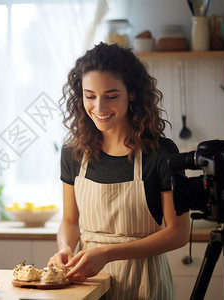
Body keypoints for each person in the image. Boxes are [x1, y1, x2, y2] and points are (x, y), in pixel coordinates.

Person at [48, 42, 190, 299]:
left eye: (111, 96)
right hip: (88, 283)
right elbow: (70, 221)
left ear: (132, 93)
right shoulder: (73, 152)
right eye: (90, 96)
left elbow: (178, 233)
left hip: (145, 284)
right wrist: (66, 248)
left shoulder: (160, 153)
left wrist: (108, 253)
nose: (99, 108)